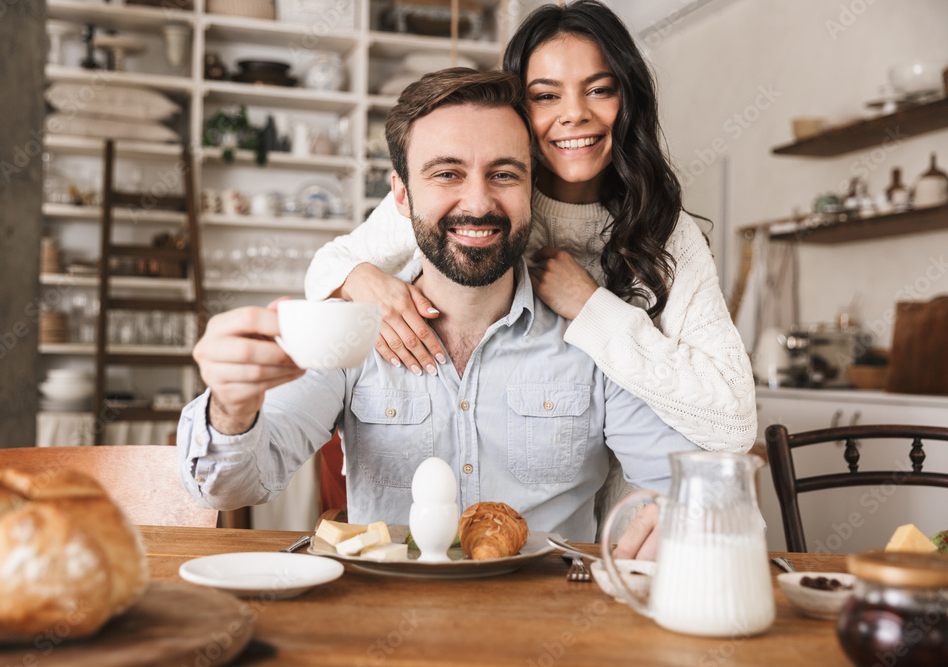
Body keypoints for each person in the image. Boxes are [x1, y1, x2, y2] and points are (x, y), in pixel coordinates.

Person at [178, 69, 699, 551]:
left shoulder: (593, 331)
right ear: (402, 196)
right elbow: (230, 487)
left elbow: (677, 483)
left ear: (530, 190)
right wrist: (230, 406)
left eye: (504, 174)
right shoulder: (352, 328)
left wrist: (674, 513)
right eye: (447, 174)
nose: (478, 203)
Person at [304, 0, 756, 456]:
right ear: (517, 110)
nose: (575, 113)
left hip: (634, 497)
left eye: (599, 90)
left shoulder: (663, 228)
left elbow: (734, 420)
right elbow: (325, 268)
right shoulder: (476, 203)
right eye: (545, 95)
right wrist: (362, 282)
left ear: (628, 99)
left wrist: (590, 307)